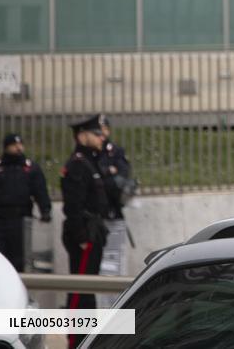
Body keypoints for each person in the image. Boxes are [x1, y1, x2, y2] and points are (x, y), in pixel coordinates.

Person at [62, 116, 109, 349]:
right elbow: (73, 205)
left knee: (88, 290)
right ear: (82, 136)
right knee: (81, 292)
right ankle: (76, 342)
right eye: (96, 133)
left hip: (93, 233)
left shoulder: (91, 161)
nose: (102, 136)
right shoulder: (79, 164)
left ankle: (86, 340)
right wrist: (81, 237)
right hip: (85, 236)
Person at [0, 134, 51, 271]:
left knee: (20, 258)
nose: (18, 148)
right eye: (14, 145)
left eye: (20, 144)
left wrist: (45, 210)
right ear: (6, 147)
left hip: (20, 220)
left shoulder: (30, 168)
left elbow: (40, 190)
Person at [95, 114, 135, 305]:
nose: (101, 133)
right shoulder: (91, 153)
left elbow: (123, 176)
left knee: (116, 266)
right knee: (99, 269)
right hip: (96, 218)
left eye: (103, 129)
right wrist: (108, 173)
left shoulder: (115, 151)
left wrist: (107, 174)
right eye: (98, 129)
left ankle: (115, 308)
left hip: (114, 216)